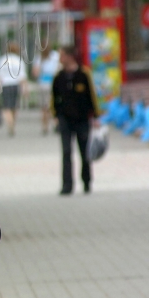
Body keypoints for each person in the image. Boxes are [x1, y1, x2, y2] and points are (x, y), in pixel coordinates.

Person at [52, 45, 101, 195]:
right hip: (65, 120)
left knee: (84, 152)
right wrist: (56, 115)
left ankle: (86, 181)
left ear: (69, 56)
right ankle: (67, 185)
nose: (60, 59)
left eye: (62, 55)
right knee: (66, 152)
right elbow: (54, 98)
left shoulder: (83, 74)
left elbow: (92, 95)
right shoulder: (58, 77)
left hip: (82, 120)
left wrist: (96, 116)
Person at [0, 41, 29, 137]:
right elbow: (22, 76)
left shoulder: (2, 60)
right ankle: (13, 122)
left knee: (7, 106)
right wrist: (25, 88)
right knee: (14, 106)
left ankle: (9, 123)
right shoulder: (18, 60)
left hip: (5, 85)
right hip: (15, 84)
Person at [33, 45, 61, 135]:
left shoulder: (39, 58)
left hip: (42, 84)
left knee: (44, 107)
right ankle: (56, 123)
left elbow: (35, 72)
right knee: (52, 105)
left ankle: (45, 126)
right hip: (53, 83)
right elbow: (59, 69)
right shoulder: (55, 56)